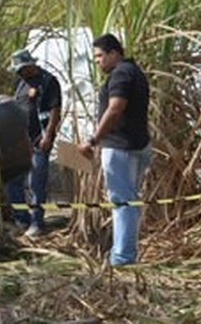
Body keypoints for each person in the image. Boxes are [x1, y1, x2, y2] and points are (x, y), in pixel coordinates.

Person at [78, 33, 152, 266]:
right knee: (129, 201)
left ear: (114, 53)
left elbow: (116, 107)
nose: (98, 61)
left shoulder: (120, 73)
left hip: (121, 146)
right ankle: (125, 253)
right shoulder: (135, 72)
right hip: (137, 144)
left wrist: (93, 140)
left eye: (100, 56)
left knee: (122, 201)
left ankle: (122, 257)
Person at [4, 48, 62, 237]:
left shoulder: (48, 81)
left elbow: (55, 110)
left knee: (36, 181)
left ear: (30, 65)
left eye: (22, 69)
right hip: (20, 139)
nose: (20, 73)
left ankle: (37, 222)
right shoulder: (20, 82)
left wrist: (48, 135)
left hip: (39, 138)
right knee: (13, 181)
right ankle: (22, 219)